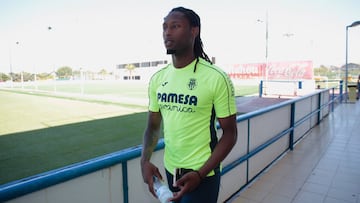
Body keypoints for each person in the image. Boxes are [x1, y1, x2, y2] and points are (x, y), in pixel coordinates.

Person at [140, 6, 238, 203]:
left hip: (202, 175)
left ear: (194, 31)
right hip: (170, 171)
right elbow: (153, 126)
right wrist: (144, 161)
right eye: (165, 27)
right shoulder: (158, 79)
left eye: (175, 26)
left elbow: (230, 134)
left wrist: (200, 174)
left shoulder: (216, 78)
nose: (167, 32)